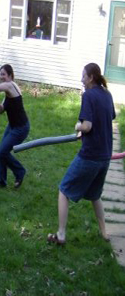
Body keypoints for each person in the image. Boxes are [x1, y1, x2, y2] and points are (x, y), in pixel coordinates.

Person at [47, 63, 115, 245]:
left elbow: (87, 125)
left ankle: (61, 234)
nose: (81, 80)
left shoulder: (88, 95)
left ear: (91, 77)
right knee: (94, 195)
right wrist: (84, 132)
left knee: (64, 190)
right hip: (105, 156)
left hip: (90, 155)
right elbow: (107, 119)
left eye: (83, 76)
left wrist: (79, 127)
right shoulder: (107, 94)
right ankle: (104, 234)